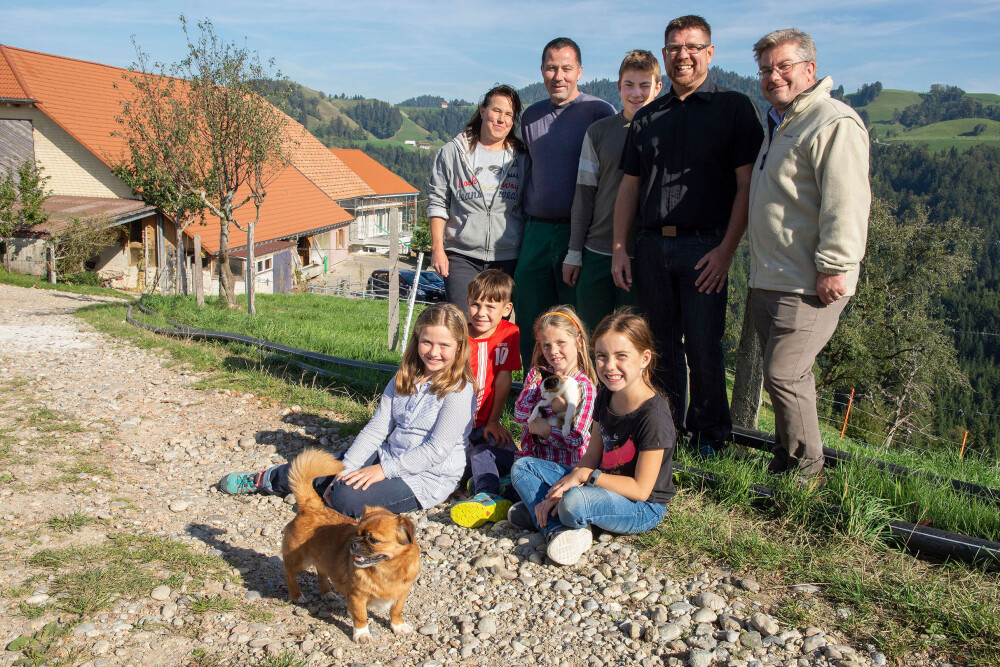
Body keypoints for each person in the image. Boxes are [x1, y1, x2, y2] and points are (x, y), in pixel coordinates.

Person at [612, 15, 763, 457]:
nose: (683, 55)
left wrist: (726, 251)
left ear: (709, 53)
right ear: (664, 55)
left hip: (705, 246)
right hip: (652, 245)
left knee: (703, 343)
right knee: (657, 347)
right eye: (675, 47)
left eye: (692, 46)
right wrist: (621, 248)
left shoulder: (734, 108)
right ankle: (669, 433)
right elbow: (629, 187)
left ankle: (713, 437)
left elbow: (746, 185)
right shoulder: (648, 117)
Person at [747, 29, 870, 483]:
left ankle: (806, 477)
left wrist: (837, 266)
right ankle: (782, 461)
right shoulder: (782, 122)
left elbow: (847, 201)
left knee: (785, 374)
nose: (773, 77)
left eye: (783, 67)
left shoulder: (831, 121)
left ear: (809, 69)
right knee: (783, 379)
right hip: (771, 276)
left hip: (807, 280)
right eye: (765, 70)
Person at [218, 303, 477, 517]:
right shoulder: (405, 377)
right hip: (390, 455)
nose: (433, 352)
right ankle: (265, 480)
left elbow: (436, 450)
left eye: (444, 346)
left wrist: (381, 472)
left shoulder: (459, 390)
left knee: (346, 496)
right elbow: (377, 429)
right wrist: (347, 467)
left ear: (458, 347)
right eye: (427, 342)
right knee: (322, 467)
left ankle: (328, 499)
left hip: (426, 477)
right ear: (416, 340)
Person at [510, 310, 676, 566]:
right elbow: (591, 456)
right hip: (597, 486)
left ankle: (546, 514)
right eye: (602, 356)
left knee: (574, 501)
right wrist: (570, 480)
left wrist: (584, 479)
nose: (609, 366)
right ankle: (560, 526)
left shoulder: (654, 416)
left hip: (641, 507)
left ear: (644, 358)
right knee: (523, 466)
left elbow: (641, 490)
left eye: (621, 356)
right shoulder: (606, 396)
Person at [514, 38, 616, 369]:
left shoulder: (599, 112)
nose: (559, 76)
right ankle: (536, 394)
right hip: (537, 231)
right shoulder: (530, 116)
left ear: (580, 72)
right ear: (542, 71)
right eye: (551, 68)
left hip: (580, 234)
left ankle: (580, 398)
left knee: (577, 322)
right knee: (531, 315)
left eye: (567, 68)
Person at [561, 50, 663, 332]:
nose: (636, 93)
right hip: (597, 250)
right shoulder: (598, 132)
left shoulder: (667, 130)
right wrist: (574, 252)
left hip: (643, 254)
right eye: (629, 84)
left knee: (632, 341)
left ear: (658, 87)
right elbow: (584, 195)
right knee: (592, 337)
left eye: (645, 85)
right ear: (619, 87)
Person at [428, 85, 530, 312]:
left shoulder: (522, 157)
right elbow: (437, 202)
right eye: (496, 111)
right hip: (461, 256)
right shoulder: (453, 152)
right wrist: (438, 248)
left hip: (508, 257)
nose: (501, 119)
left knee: (497, 326)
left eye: (509, 114)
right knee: (463, 322)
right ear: (482, 111)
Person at [449, 270, 522, 528]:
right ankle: (484, 490)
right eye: (476, 304)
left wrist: (494, 421)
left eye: (490, 306)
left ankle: (495, 485)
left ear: (506, 308)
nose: (481, 313)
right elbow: (451, 386)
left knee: (512, 457)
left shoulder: (509, 333)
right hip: (458, 426)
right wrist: (461, 429)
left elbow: (503, 380)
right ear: (467, 302)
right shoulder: (457, 335)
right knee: (461, 459)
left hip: (485, 424)